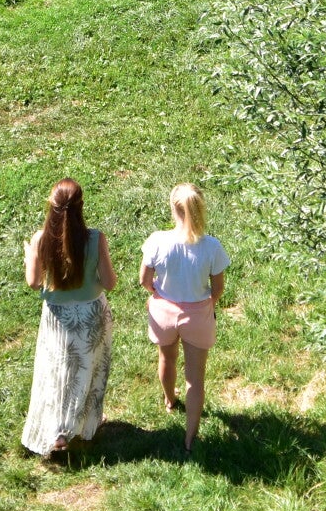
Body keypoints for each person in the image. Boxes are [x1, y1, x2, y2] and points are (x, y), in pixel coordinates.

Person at [21, 178, 117, 456]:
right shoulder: (96, 238)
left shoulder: (41, 240)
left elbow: (33, 282)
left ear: (51, 207)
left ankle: (57, 433)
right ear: (81, 207)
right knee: (89, 369)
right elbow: (110, 283)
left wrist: (30, 256)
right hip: (91, 315)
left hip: (58, 317)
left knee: (57, 372)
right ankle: (86, 424)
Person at [140, 183, 229, 455]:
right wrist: (208, 303)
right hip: (197, 315)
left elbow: (144, 279)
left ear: (173, 208)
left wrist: (157, 293)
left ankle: (169, 400)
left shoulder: (157, 240)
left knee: (166, 359)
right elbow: (218, 288)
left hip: (164, 311)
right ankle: (190, 437)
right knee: (195, 378)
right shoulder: (211, 247)